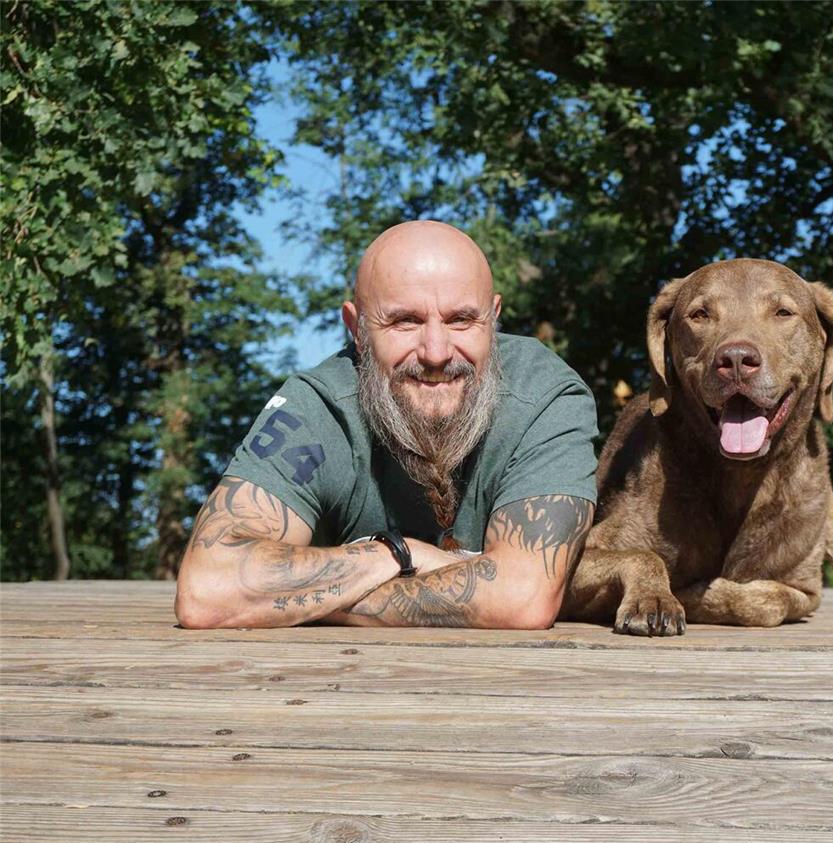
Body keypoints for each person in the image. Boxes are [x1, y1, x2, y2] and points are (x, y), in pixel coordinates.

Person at [175, 221, 598, 629]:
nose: (436, 352)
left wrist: (301, 599)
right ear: (356, 330)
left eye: (461, 320)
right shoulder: (319, 407)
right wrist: (393, 557)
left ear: (495, 317)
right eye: (404, 321)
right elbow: (207, 591)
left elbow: (522, 599)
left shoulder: (545, 396)